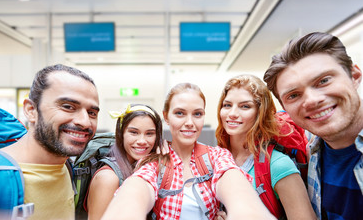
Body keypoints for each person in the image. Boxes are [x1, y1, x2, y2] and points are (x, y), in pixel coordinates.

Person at [102, 82, 275, 220]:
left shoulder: (217, 156)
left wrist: (246, 211)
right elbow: (137, 187)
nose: (190, 122)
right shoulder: (154, 161)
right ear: (166, 117)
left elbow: (234, 184)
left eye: (197, 114)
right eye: (180, 113)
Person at [263, 32, 363, 219]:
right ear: (285, 109)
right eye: (293, 95)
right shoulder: (313, 153)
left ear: (355, 76)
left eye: (323, 81)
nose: (311, 101)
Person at [0, 64, 100, 220]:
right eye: (68, 107)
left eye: (92, 113)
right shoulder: (3, 177)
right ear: (31, 110)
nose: (85, 122)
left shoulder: (67, 166)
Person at [215, 74, 316, 219]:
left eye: (245, 106)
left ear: (260, 113)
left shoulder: (278, 164)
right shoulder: (215, 158)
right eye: (227, 105)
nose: (232, 114)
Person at [86, 104, 164, 220]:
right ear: (121, 134)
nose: (142, 141)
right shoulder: (108, 178)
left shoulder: (149, 167)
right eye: (134, 132)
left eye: (149, 133)